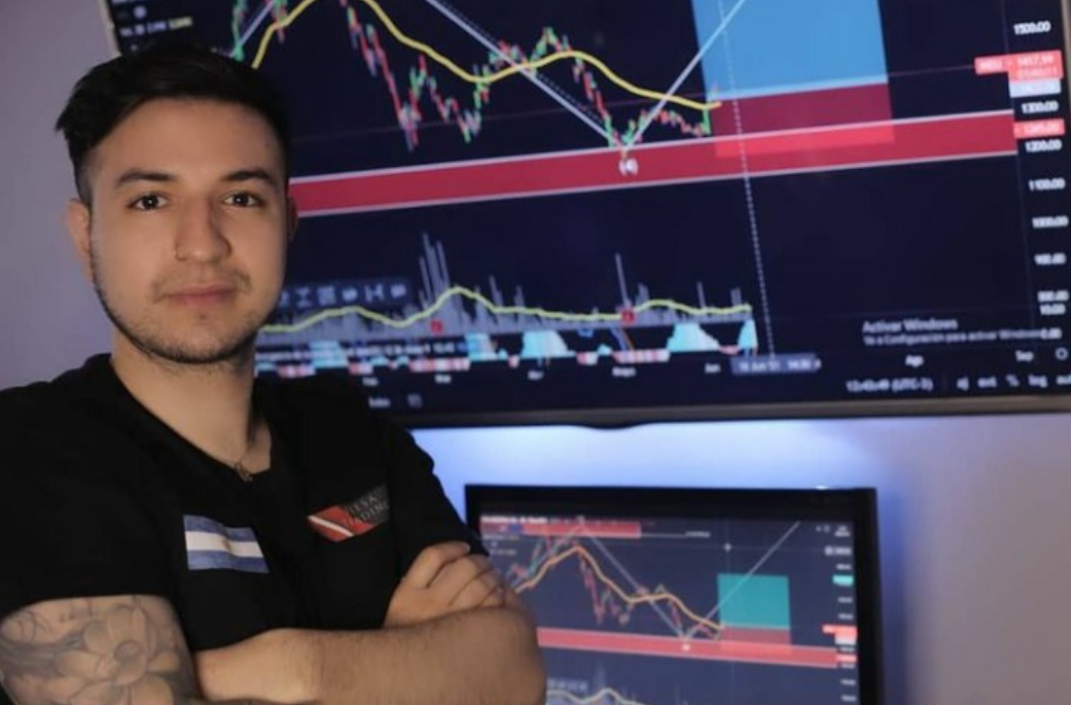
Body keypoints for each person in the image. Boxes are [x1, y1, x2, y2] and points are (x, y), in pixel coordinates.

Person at [0, 43, 545, 705]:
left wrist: (293, 667)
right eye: (150, 200)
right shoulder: (34, 450)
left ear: (286, 222)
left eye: (240, 196)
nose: (201, 243)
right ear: (86, 237)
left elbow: (512, 671)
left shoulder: (351, 431)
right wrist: (399, 663)